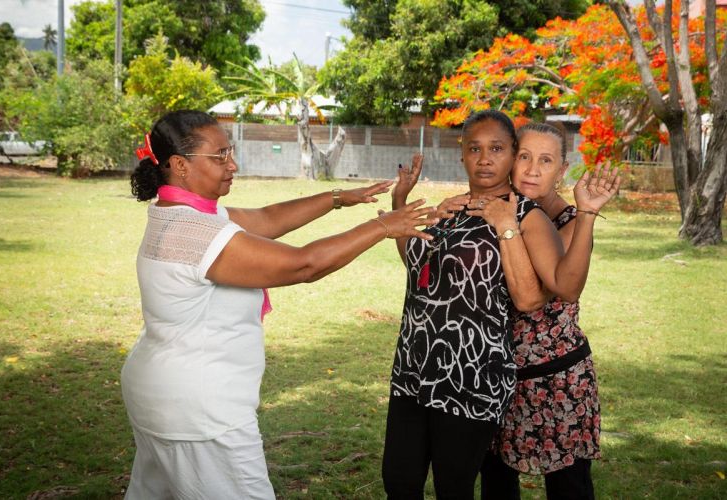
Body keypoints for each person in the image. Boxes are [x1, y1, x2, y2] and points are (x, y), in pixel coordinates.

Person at [120, 109, 439, 499]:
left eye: (230, 152)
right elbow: (302, 265)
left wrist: (338, 197)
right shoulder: (195, 231)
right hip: (200, 411)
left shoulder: (180, 214)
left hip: (161, 394)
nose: (232, 164)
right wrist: (383, 225)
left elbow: (268, 219)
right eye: (219, 156)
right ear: (180, 166)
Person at [382, 109, 616, 500]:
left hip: (496, 375)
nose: (486, 158)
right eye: (475, 148)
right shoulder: (457, 209)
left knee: (559, 485)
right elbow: (422, 270)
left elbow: (541, 294)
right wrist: (401, 203)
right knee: (415, 483)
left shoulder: (527, 215)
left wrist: (576, 214)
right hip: (421, 370)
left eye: (498, 149)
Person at [480, 123, 619, 500]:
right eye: (524, 156)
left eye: (545, 160)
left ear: (562, 169)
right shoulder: (494, 212)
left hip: (558, 380)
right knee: (495, 484)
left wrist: (588, 214)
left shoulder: (572, 222)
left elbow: (560, 287)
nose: (532, 169)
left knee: (569, 489)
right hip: (498, 377)